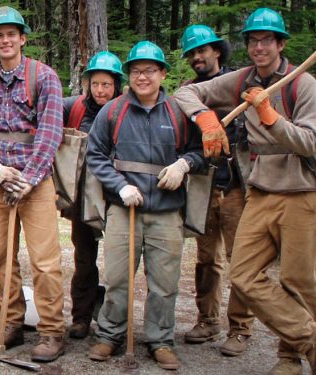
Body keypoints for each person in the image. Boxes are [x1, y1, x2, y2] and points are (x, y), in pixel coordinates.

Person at [174, 8, 316, 374]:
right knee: (243, 274)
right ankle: (312, 336)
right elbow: (185, 92)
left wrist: (270, 116)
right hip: (259, 191)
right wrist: (206, 117)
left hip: (301, 192)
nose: (259, 47)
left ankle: (290, 358)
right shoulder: (240, 79)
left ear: (280, 44)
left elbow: (309, 143)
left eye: (266, 40)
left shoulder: (301, 83)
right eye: (253, 40)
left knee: (298, 280)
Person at [85, 41, 205, 370]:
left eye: (149, 71)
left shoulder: (180, 112)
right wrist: (120, 186)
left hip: (167, 211)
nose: (142, 77)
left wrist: (183, 166)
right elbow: (95, 155)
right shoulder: (114, 111)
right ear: (129, 76)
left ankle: (160, 340)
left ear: (162, 73)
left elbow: (200, 151)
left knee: (164, 283)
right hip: (124, 209)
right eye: (136, 71)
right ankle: (109, 336)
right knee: (119, 278)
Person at [0, 6, 67, 363]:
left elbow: (50, 132)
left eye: (12, 34)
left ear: (22, 39)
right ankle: (10, 322)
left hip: (35, 183)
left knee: (44, 262)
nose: (6, 40)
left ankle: (51, 330)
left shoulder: (44, 77)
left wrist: (28, 178)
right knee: (0, 260)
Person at [177, 24, 252, 355]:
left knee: (242, 260)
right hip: (204, 185)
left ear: (217, 51)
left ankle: (241, 328)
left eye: (202, 51)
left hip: (236, 186)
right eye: (192, 53)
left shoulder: (241, 85)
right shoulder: (188, 92)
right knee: (207, 259)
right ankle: (207, 321)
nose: (197, 57)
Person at [61, 51, 124, 340]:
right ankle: (81, 318)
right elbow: (44, 109)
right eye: (95, 84)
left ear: (117, 85)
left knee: (117, 264)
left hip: (117, 197)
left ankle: (113, 323)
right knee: (84, 260)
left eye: (106, 85)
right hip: (83, 198)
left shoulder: (127, 110)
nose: (100, 90)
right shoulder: (74, 108)